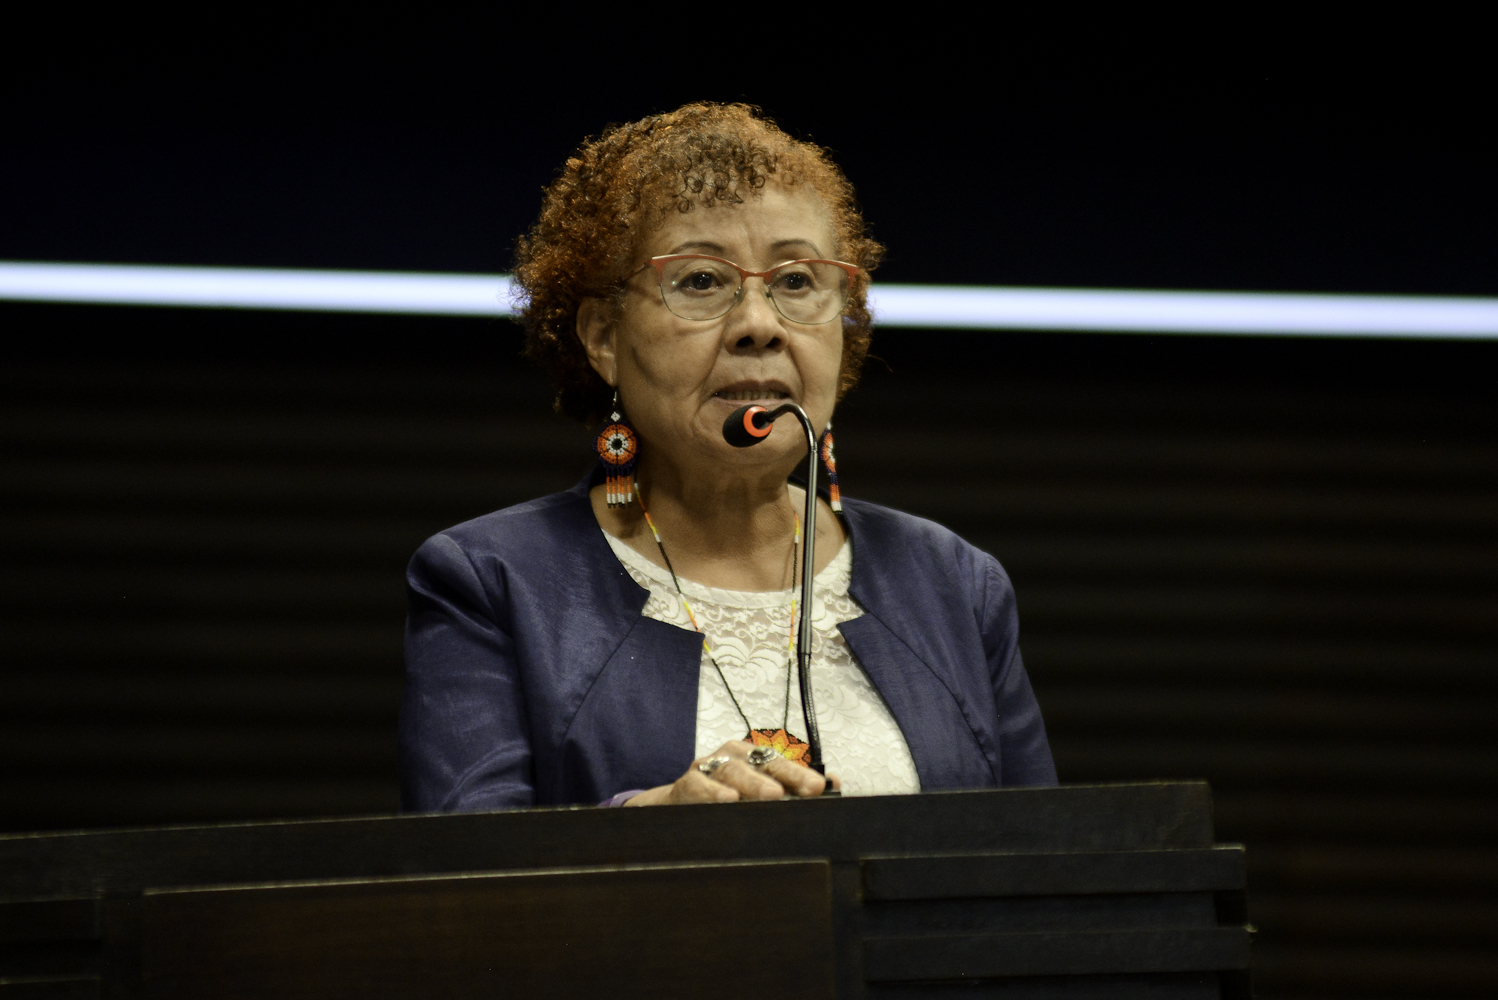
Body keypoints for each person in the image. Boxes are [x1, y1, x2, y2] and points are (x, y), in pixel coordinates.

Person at [399, 102, 1055, 811]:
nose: (759, 325)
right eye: (701, 281)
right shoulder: (493, 582)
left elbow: (1046, 857)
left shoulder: (955, 584)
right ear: (605, 338)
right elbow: (465, 862)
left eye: (797, 281)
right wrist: (656, 822)